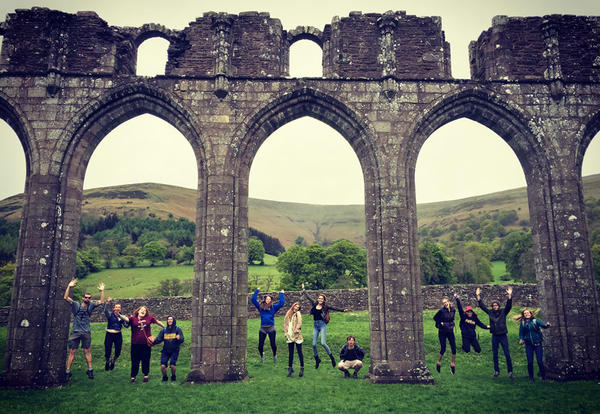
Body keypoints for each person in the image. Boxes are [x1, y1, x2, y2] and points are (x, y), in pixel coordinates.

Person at [63, 278, 104, 380]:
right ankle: (68, 371)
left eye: (89, 298)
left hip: (86, 331)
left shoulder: (91, 305)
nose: (88, 299)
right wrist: (69, 286)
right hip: (76, 331)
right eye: (86, 297)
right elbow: (65, 297)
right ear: (83, 298)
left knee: (87, 351)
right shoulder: (76, 304)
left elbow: (102, 301)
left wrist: (102, 291)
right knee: (72, 351)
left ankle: (90, 370)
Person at [301, 283, 347, 369]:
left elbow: (334, 308)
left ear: (324, 300)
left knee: (323, 343)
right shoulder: (314, 304)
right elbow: (308, 297)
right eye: (319, 298)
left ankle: (331, 358)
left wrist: (343, 310)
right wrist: (304, 290)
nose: (320, 299)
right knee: (314, 344)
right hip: (315, 325)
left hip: (322, 325)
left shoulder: (325, 307)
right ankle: (317, 359)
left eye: (321, 299)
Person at [477, 286, 514, 379]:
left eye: (496, 305)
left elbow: (509, 305)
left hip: (503, 335)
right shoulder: (490, 312)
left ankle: (510, 372)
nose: (495, 307)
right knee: (495, 354)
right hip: (495, 336)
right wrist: (478, 296)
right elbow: (482, 306)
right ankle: (496, 371)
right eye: (493, 306)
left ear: (499, 306)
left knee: (507, 353)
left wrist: (509, 295)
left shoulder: (503, 312)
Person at [120, 305, 164, 383]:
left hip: (146, 344)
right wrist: (119, 315)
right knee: (135, 360)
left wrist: (165, 327)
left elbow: (157, 322)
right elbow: (126, 319)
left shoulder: (149, 318)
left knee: (146, 360)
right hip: (135, 344)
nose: (143, 311)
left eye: (145, 310)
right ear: (138, 311)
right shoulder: (133, 319)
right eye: (142, 310)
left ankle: (146, 375)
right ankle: (133, 376)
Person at [251, 288, 285, 363]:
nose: (268, 300)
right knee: (260, 345)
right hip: (263, 328)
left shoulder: (273, 307)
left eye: (269, 299)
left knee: (273, 344)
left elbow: (281, 303)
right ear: (265, 299)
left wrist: (282, 293)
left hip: (271, 328)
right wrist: (256, 291)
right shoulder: (261, 307)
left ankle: (274, 355)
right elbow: (253, 300)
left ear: (271, 300)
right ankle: (262, 356)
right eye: (267, 299)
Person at [516, 308, 550, 381]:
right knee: (530, 362)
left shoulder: (535, 321)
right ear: (523, 315)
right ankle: (531, 378)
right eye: (525, 313)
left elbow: (543, 325)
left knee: (539, 361)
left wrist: (547, 325)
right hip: (528, 345)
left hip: (538, 344)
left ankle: (544, 377)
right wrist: (521, 339)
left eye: (528, 313)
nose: (527, 314)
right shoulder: (522, 323)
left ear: (531, 314)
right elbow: (521, 333)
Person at [152, 315, 184, 382]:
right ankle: (165, 377)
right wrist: (152, 343)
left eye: (171, 319)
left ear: (174, 321)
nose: (170, 320)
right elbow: (159, 339)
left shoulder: (177, 329)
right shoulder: (164, 330)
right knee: (163, 366)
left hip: (175, 350)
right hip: (165, 350)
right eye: (168, 319)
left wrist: (179, 338)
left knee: (172, 365)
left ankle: (173, 376)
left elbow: (182, 339)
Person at [103, 296, 128, 371]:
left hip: (118, 335)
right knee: (108, 350)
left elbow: (126, 326)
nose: (117, 308)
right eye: (116, 307)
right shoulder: (110, 314)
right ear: (113, 308)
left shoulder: (122, 316)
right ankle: (107, 362)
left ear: (120, 309)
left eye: (119, 307)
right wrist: (107, 302)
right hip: (109, 334)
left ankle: (113, 361)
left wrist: (128, 322)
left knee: (118, 351)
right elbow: (105, 311)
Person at [433, 297, 456, 374]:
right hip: (442, 331)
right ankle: (438, 363)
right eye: (443, 303)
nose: (445, 304)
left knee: (454, 348)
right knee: (443, 348)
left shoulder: (453, 310)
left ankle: (452, 364)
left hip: (450, 331)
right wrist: (440, 323)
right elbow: (435, 318)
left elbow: (452, 318)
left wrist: (453, 322)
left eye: (446, 302)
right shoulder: (441, 311)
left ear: (449, 302)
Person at [283, 302, 304, 377]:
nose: (296, 308)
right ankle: (290, 368)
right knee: (290, 353)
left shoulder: (298, 313)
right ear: (293, 306)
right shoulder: (288, 313)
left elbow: (299, 323)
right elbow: (285, 323)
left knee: (299, 352)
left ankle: (302, 368)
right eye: (295, 306)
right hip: (289, 335)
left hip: (297, 336)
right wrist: (285, 332)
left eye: (298, 307)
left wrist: (296, 332)